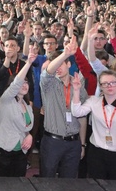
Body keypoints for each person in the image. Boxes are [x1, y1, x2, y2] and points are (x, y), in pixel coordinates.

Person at [71, 70, 116, 180]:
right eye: (105, 83)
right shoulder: (93, 101)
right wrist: (76, 91)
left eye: (112, 83)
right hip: (96, 153)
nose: (109, 86)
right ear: (100, 86)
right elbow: (77, 112)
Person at [39, 36, 88, 178]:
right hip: (52, 142)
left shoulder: (78, 85)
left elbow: (82, 118)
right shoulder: (48, 84)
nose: (57, 69)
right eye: (56, 65)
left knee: (69, 181)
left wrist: (82, 144)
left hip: (73, 142)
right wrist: (65, 53)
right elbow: (48, 71)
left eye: (62, 64)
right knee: (47, 179)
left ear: (68, 65)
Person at [0, 44, 37, 177]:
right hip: (4, 151)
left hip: (20, 152)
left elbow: (25, 127)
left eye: (26, 82)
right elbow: (17, 82)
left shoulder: (28, 105)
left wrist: (29, 135)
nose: (24, 85)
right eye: (22, 83)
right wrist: (28, 63)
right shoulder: (6, 99)